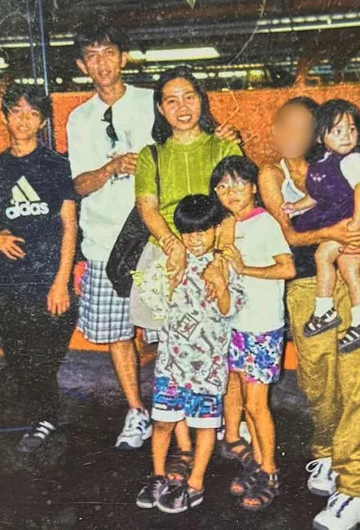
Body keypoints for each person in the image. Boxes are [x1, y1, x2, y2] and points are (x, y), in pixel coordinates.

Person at [67, 26, 240, 449]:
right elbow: (78, 184)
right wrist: (110, 169)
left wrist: (225, 140)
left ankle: (192, 415)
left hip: (160, 245)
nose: (102, 63)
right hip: (110, 245)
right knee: (117, 333)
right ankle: (137, 412)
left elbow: (198, 137)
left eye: (110, 52)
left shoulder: (154, 99)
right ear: (81, 65)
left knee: (173, 333)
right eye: (92, 55)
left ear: (123, 57)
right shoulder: (79, 118)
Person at [259, 97, 360, 529]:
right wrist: (333, 231)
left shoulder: (340, 162)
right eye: (286, 127)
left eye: (304, 127)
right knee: (319, 382)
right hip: (306, 286)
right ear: (274, 131)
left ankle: (356, 489)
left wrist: (351, 232)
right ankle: (329, 453)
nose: (294, 135)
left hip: (354, 277)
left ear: (318, 131)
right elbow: (291, 234)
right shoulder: (271, 174)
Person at [131, 65, 243, 480]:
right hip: (163, 256)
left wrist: (218, 257)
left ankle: (222, 433)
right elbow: (147, 206)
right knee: (168, 350)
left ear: (202, 100)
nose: (182, 107)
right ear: (160, 108)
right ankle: (180, 444)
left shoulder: (223, 148)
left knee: (220, 347)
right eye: (171, 100)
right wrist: (173, 246)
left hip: (212, 253)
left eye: (189, 97)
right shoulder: (151, 154)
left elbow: (234, 206)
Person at [0, 84, 79, 454]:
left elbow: (69, 224)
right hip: (9, 281)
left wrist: (61, 282)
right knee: (19, 355)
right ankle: (44, 418)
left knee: (45, 355)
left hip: (48, 279)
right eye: (16, 111)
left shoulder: (55, 165)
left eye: (33, 113)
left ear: (43, 121)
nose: (24, 120)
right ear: (4, 117)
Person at [134, 194, 243, 514]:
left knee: (205, 427)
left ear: (214, 231)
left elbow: (229, 311)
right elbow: (157, 306)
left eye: (203, 231)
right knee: (163, 423)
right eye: (189, 233)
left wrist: (220, 283)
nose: (196, 239)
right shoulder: (170, 264)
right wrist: (167, 282)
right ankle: (157, 477)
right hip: (171, 364)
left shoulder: (224, 266)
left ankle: (195, 483)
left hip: (207, 368)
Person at [212, 156, 295, 511]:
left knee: (257, 405)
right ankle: (253, 460)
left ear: (253, 188)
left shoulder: (264, 224)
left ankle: (270, 470)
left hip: (261, 327)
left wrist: (246, 269)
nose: (230, 192)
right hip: (235, 325)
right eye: (222, 186)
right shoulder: (227, 224)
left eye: (238, 184)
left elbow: (288, 267)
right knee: (239, 394)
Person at [282, 99, 360, 354]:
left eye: (352, 130)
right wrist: (297, 206)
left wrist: (355, 225)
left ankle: (329, 312)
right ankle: (357, 318)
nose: (347, 136)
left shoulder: (354, 160)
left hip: (356, 223)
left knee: (330, 259)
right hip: (343, 221)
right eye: (337, 131)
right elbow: (318, 195)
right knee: (346, 267)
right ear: (320, 137)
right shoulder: (323, 163)